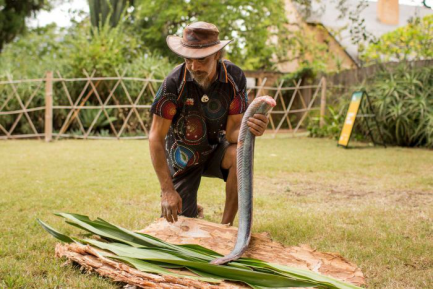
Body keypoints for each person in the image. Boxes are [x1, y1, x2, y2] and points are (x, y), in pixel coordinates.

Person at [149, 22, 269, 225]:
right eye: (188, 59)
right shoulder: (173, 83)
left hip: (215, 150)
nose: (194, 67)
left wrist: (252, 127)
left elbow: (233, 133)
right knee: (178, 229)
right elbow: (155, 137)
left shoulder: (235, 77)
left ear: (217, 55)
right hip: (183, 157)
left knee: (239, 153)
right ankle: (191, 207)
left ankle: (227, 226)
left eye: (201, 59)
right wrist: (167, 191)